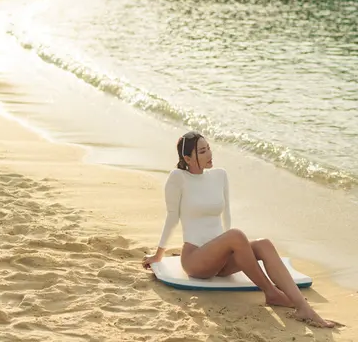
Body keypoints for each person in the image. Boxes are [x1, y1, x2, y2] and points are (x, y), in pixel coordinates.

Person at [142, 131, 339, 328]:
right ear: (187, 158)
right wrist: (159, 255)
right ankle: (271, 292)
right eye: (202, 151)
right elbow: (172, 217)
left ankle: (303, 307)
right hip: (196, 260)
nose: (209, 154)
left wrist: (234, 249)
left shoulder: (220, 175)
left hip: (221, 261)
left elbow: (226, 215)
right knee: (236, 235)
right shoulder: (178, 178)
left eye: (209, 148)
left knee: (264, 244)